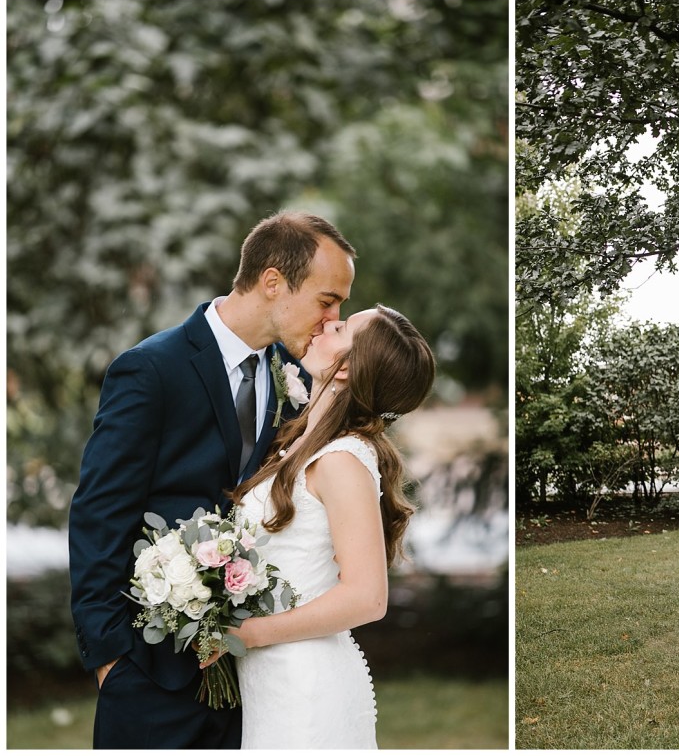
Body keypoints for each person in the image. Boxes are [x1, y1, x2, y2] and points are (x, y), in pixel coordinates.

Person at [68, 211, 356, 749]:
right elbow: (97, 516)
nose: (333, 317)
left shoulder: (290, 377)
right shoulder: (151, 370)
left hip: (253, 680)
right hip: (149, 672)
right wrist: (110, 661)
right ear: (273, 282)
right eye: (327, 299)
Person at [209, 305, 435, 749]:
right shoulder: (304, 443)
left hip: (305, 688)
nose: (324, 324)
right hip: (271, 682)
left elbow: (367, 597)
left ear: (347, 368)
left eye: (340, 327)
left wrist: (250, 633)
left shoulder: (342, 461)